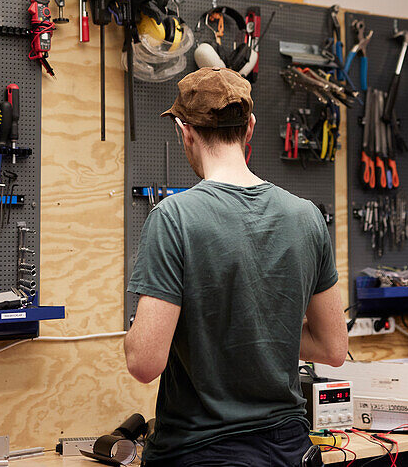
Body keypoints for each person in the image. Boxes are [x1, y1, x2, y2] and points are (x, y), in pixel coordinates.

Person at [124, 67, 348, 467]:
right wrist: (261, 330)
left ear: (184, 131)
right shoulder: (307, 216)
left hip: (201, 452)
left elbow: (144, 364)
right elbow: (333, 349)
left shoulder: (174, 217)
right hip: (290, 451)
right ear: (250, 129)